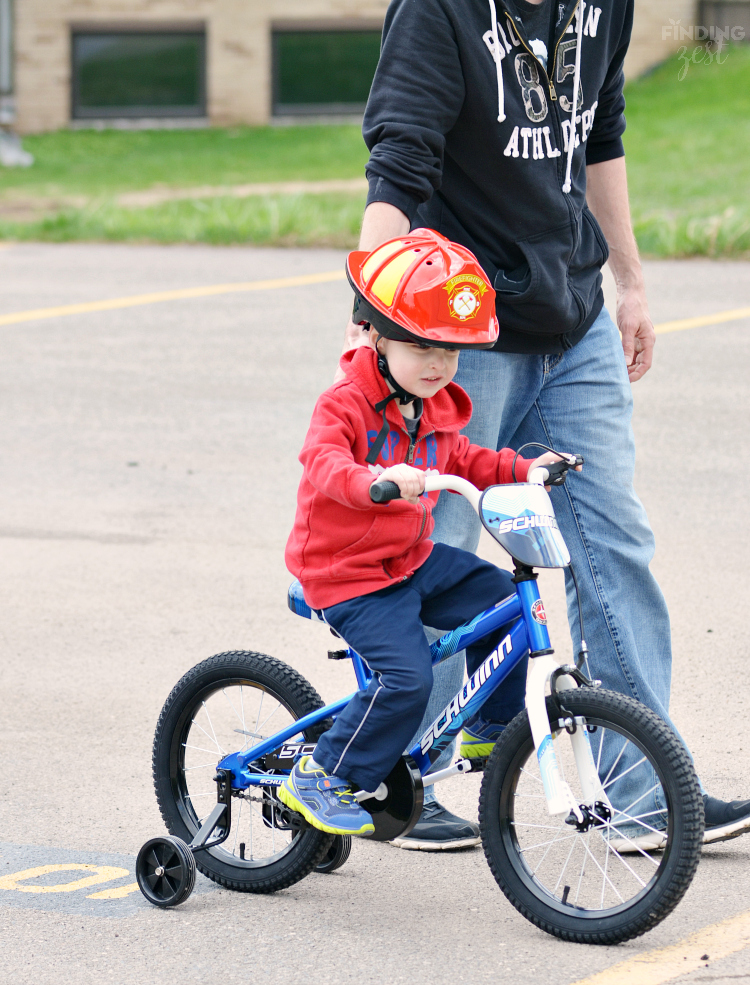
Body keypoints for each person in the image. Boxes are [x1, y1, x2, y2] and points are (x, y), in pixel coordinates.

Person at [340, 0, 750, 849]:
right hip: (455, 332)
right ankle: (402, 770)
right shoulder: (437, 11)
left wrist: (630, 282)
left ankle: (644, 791)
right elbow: (401, 165)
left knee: (611, 542)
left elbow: (599, 134)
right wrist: (372, 319)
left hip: (575, 317)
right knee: (422, 542)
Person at [280, 231, 572, 836]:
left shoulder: (432, 404)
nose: (438, 365)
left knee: (510, 604)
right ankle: (323, 774)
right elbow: (325, 463)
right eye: (421, 347)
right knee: (407, 678)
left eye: (452, 352)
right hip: (348, 575)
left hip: (408, 559)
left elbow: (468, 460)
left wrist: (527, 469)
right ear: (377, 336)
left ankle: (490, 729)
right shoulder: (345, 403)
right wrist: (374, 484)